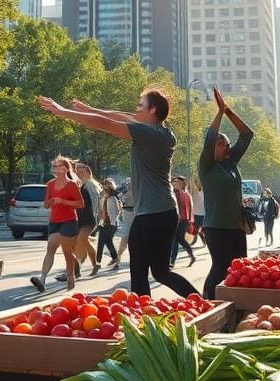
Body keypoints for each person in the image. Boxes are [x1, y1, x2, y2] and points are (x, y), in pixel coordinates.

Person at [38, 91, 199, 298]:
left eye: (141, 105)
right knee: (157, 272)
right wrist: (91, 109)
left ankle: (164, 310)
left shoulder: (150, 134)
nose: (136, 108)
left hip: (156, 213)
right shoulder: (158, 130)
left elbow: (105, 123)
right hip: (157, 212)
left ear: (153, 110)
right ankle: (188, 304)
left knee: (146, 271)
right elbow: (121, 116)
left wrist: (63, 112)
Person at [198, 88, 254, 299]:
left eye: (227, 144)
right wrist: (219, 113)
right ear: (212, 148)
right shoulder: (207, 165)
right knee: (220, 267)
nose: (226, 147)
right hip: (216, 227)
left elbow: (247, 134)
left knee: (240, 267)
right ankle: (208, 301)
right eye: (220, 144)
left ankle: (234, 302)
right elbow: (209, 138)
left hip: (236, 227)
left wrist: (229, 111)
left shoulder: (230, 162)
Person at [29, 156, 83, 292]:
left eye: (59, 166)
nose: (56, 168)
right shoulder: (50, 184)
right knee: (51, 248)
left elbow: (80, 204)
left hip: (69, 220)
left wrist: (62, 201)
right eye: (55, 166)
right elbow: (46, 205)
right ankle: (42, 279)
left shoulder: (71, 184)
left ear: (65, 168)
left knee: (67, 252)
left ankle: (70, 277)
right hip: (55, 221)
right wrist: (49, 202)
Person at [60, 161, 100, 280]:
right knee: (79, 243)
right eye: (76, 168)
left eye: (80, 167)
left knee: (82, 239)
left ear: (87, 169)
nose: (77, 169)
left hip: (89, 219)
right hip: (79, 219)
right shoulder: (79, 184)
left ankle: (73, 271)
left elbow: (95, 203)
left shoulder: (90, 184)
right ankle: (93, 265)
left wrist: (98, 216)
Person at [169, 176, 195, 267]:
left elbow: (181, 208)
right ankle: (191, 256)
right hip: (184, 220)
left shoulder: (181, 193)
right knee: (179, 239)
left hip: (181, 220)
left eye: (176, 182)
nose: (174, 183)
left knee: (176, 239)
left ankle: (172, 261)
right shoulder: (184, 193)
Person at [95, 179, 120, 266]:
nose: (102, 190)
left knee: (101, 243)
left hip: (109, 224)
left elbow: (115, 212)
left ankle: (97, 263)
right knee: (108, 242)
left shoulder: (111, 198)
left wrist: (109, 222)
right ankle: (115, 258)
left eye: (103, 188)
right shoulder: (107, 198)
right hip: (108, 224)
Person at [112, 179, 135, 269]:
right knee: (124, 242)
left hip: (136, 220)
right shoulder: (124, 194)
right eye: (128, 184)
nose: (129, 186)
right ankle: (118, 260)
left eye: (131, 184)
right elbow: (120, 202)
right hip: (127, 221)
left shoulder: (138, 194)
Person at [190, 177, 206, 247]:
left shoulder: (200, 191)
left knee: (201, 230)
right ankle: (204, 242)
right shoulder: (192, 191)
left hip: (200, 213)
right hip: (198, 213)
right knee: (199, 230)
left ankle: (206, 241)